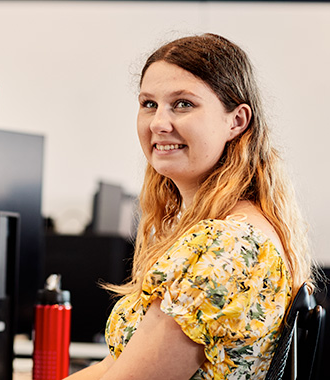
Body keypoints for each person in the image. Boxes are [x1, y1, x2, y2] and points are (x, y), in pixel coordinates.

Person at [66, 33, 315, 380]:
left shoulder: (225, 247)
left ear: (237, 121)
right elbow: (113, 366)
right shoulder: (226, 230)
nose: (158, 123)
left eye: (183, 104)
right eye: (149, 104)